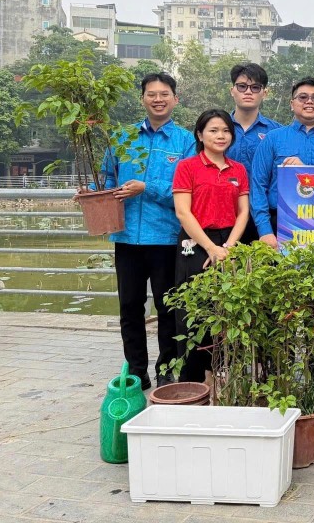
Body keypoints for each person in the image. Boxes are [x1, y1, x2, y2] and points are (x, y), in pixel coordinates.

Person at [103, 73, 195, 390]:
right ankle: (137, 369)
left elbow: (188, 193)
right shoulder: (123, 138)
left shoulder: (185, 142)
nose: (158, 99)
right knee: (129, 306)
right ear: (142, 98)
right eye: (152, 94)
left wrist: (147, 188)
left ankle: (166, 367)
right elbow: (104, 178)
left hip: (167, 239)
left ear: (175, 99)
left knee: (168, 306)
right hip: (126, 237)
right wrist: (88, 191)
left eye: (164, 94)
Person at [172, 109, 249, 383]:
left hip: (229, 242)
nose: (220, 135)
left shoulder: (238, 169)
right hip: (196, 242)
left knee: (227, 309)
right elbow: (183, 212)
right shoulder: (187, 167)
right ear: (200, 135)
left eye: (226, 130)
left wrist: (227, 246)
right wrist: (211, 249)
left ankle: (223, 375)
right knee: (193, 311)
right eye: (214, 130)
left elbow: (243, 213)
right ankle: (192, 381)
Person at [250, 77, 314, 249]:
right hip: (278, 224)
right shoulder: (273, 139)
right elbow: (258, 186)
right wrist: (265, 231)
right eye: (302, 97)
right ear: (292, 103)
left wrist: (305, 171)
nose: (309, 101)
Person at [228, 63, 281, 243]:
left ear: (264, 93)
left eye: (255, 87)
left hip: (266, 217)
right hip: (225, 214)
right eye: (242, 86)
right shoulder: (217, 129)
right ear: (232, 90)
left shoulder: (277, 134)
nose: (248, 92)